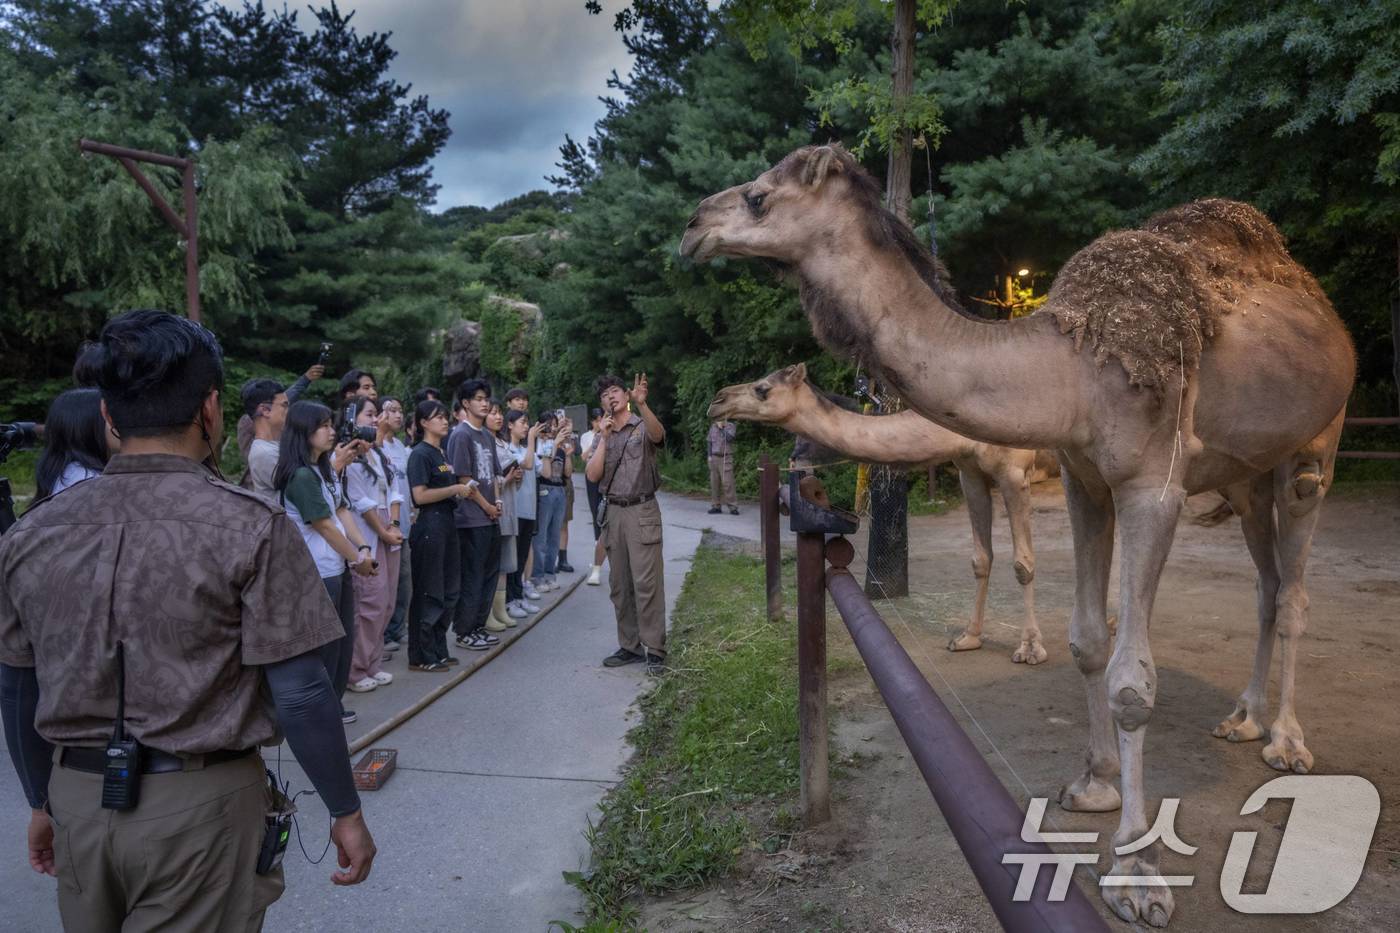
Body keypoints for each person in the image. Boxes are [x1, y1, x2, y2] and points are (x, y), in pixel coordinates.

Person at [0, 309, 375, 932]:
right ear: (211, 408)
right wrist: (345, 808)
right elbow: (302, 691)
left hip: (77, 799)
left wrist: (41, 799)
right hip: (201, 808)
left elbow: (17, 687)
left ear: (108, 415)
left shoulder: (32, 532)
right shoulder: (252, 526)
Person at [274, 401, 378, 725]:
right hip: (317, 573)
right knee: (325, 647)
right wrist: (357, 558)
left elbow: (342, 511)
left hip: (338, 567)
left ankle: (333, 705)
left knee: (342, 643)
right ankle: (321, 714)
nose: (332, 431)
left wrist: (362, 547)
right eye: (323, 426)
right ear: (303, 431)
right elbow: (324, 526)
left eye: (331, 424)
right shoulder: (300, 476)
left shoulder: (324, 468)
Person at [585, 373, 667, 674]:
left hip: (642, 509)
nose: (610, 397)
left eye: (615, 391)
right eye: (605, 394)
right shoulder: (602, 434)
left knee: (647, 583)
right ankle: (630, 646)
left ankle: (655, 649)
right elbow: (592, 475)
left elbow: (659, 436)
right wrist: (604, 439)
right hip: (614, 512)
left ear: (626, 395)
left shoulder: (641, 425)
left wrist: (643, 405)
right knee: (619, 585)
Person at [406, 399, 472, 671]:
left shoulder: (441, 453)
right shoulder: (420, 454)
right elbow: (419, 496)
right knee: (429, 590)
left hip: (446, 522)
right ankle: (421, 655)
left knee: (449, 590)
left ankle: (438, 649)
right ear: (423, 423)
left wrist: (458, 492)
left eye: (446, 417)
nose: (445, 421)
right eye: (438, 417)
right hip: (429, 525)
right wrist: (454, 490)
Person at [344, 398, 404, 693]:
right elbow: (360, 501)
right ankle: (355, 670)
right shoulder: (347, 457)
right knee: (370, 601)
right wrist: (383, 530)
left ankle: (373, 663)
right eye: (369, 414)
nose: (375, 419)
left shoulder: (378, 453)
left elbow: (394, 491)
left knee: (387, 601)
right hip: (368, 532)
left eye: (375, 414)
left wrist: (394, 523)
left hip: (388, 528)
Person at [446, 379, 504, 652]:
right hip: (471, 518)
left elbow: (493, 474)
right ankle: (464, 630)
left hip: (491, 516)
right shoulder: (461, 435)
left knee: (489, 574)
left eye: (486, 398)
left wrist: (497, 502)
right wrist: (487, 506)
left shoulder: (487, 436)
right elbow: (464, 479)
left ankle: (479, 626)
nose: (484, 403)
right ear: (466, 403)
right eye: (479, 399)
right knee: (472, 576)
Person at [235, 361, 323, 466]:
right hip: (263, 467)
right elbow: (284, 399)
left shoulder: (267, 412)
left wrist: (306, 379)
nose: (286, 410)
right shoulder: (248, 421)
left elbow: (283, 399)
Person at [33, 388, 116, 498]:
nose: (120, 426)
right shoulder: (87, 481)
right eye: (112, 418)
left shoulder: (70, 474)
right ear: (88, 427)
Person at [378, 397, 413, 650]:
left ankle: (397, 628)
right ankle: (382, 635)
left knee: (403, 580)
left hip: (405, 522)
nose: (398, 415)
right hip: (385, 524)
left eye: (400, 410)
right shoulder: (375, 446)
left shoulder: (400, 445)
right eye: (392, 410)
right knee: (385, 583)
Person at [504, 410, 543, 616]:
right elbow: (527, 465)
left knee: (521, 557)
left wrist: (550, 444)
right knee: (512, 560)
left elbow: (544, 470)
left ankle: (519, 597)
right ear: (510, 425)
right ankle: (510, 600)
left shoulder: (526, 449)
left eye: (527, 423)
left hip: (529, 510)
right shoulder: (507, 449)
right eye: (522, 422)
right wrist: (531, 440)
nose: (526, 427)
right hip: (515, 511)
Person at [487, 401, 523, 628]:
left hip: (509, 508)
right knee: (492, 564)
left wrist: (515, 478)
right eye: (493, 413)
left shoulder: (502, 442)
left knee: (506, 564)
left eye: (500, 413)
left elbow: (512, 481)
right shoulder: (483, 442)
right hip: (493, 510)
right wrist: (506, 479)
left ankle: (500, 609)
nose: (498, 417)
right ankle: (488, 612)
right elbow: (486, 481)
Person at [531, 414, 570, 593]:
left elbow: (567, 473)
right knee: (541, 538)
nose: (552, 428)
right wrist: (554, 444)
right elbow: (542, 469)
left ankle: (549, 574)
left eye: (554, 425)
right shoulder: (536, 444)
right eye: (548, 425)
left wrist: (565, 450)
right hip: (544, 490)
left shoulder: (560, 446)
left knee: (554, 536)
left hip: (560, 490)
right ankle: (537, 577)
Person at [242, 378, 290, 495]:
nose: (289, 411)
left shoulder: (273, 446)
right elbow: (305, 491)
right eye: (284, 406)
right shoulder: (265, 453)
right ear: (265, 410)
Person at [578, 408, 608, 585]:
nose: (599, 422)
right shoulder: (587, 437)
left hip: (607, 477)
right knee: (596, 512)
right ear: (592, 422)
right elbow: (584, 456)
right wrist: (599, 437)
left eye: (601, 419)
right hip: (592, 477)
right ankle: (598, 544)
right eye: (596, 420)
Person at [707, 417, 739, 515]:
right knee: (714, 483)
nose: (718, 419)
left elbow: (730, 438)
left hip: (725, 458)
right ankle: (716, 506)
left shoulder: (730, 426)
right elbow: (709, 442)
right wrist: (709, 456)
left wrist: (722, 428)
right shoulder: (713, 427)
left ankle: (733, 507)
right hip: (714, 457)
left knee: (728, 483)